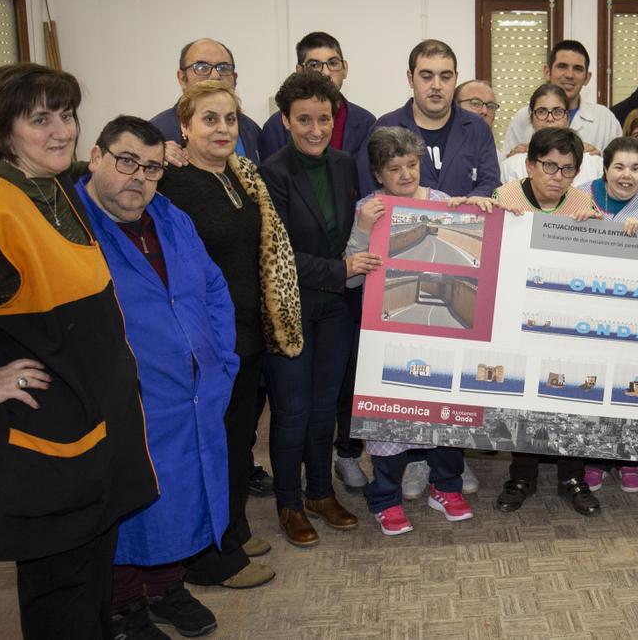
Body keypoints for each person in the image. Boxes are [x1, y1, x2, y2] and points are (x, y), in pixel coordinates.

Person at [0, 63, 157, 637]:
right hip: (46, 449)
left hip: (89, 435)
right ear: (3, 132)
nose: (61, 131)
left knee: (89, 586)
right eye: (39, 119)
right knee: (62, 602)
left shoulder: (48, 187)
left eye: (67, 115)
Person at [75, 116, 235, 639]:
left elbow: (212, 287)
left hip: (191, 392)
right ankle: (123, 607)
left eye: (151, 168)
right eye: (126, 162)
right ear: (95, 157)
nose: (138, 178)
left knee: (180, 493)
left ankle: (167, 587)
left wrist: (221, 360)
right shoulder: (72, 228)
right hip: (125, 399)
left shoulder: (170, 218)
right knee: (130, 505)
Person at [159, 80, 304, 589]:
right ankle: (209, 558)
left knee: (239, 442)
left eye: (229, 120)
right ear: (183, 127)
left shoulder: (242, 175)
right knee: (209, 448)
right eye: (209, 119)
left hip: (246, 336)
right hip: (204, 341)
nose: (222, 129)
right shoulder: (171, 182)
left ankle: (234, 528)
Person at [347, 126, 497, 534]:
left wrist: (482, 208)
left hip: (443, 338)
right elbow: (350, 276)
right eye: (394, 169)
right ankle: (386, 499)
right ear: (378, 174)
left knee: (446, 413)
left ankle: (445, 487)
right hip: (388, 335)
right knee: (387, 421)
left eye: (412, 165)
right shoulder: (369, 208)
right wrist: (362, 229)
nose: (406, 175)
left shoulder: (446, 203)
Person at [258, 71, 367, 548]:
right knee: (292, 412)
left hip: (336, 311)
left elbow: (352, 234)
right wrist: (341, 269)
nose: (316, 129)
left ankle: (321, 493)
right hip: (290, 311)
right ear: (285, 120)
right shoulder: (272, 173)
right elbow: (277, 254)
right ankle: (289, 503)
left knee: (326, 410)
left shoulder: (345, 166)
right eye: (304, 119)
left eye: (324, 118)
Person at [494, 127, 605, 517]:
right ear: (529, 164)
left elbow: (602, 260)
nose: (557, 177)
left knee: (568, 397)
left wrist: (606, 231)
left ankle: (572, 477)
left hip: (565, 320)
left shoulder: (581, 201)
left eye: (568, 169)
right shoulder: (504, 197)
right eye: (549, 166)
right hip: (516, 317)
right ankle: (520, 474)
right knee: (521, 397)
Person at [581, 136, 638, 493]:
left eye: (636, 168)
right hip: (588, 306)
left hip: (636, 310)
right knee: (594, 383)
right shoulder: (581, 194)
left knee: (631, 384)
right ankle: (595, 457)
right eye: (618, 166)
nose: (626, 175)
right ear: (605, 169)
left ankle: (628, 456)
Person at [358, 39, 500, 197]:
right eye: (427, 76)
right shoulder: (386, 127)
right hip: (400, 220)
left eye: (446, 77)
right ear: (411, 79)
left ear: (456, 78)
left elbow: (490, 182)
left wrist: (471, 203)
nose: (437, 86)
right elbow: (369, 188)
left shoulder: (477, 127)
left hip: (466, 219)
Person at [259, 31, 376, 162]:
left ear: (345, 68)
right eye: (314, 65)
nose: (326, 72)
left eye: (333, 63)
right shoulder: (276, 126)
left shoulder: (367, 123)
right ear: (300, 71)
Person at [150, 38, 263, 163]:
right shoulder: (155, 133)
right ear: (182, 78)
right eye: (201, 67)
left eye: (224, 68)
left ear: (235, 79)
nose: (215, 76)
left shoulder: (251, 129)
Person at [502, 40, 622, 155]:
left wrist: (599, 159)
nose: (570, 75)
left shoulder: (605, 119)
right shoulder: (523, 117)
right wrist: (520, 156)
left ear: (587, 78)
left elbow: (620, 165)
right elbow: (506, 168)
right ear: (547, 72)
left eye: (578, 69)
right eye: (562, 66)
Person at [501, 84, 604, 186]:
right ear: (532, 119)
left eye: (558, 112)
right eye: (542, 112)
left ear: (567, 118)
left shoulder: (593, 163)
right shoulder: (513, 165)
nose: (550, 118)